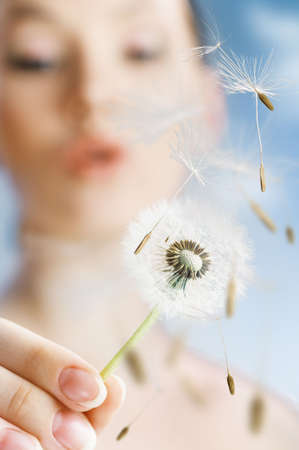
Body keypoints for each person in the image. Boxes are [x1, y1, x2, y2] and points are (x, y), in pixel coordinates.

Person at [0, 0, 298, 449]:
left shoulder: (272, 432)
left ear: (209, 102)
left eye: (141, 51)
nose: (94, 90)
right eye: (37, 58)